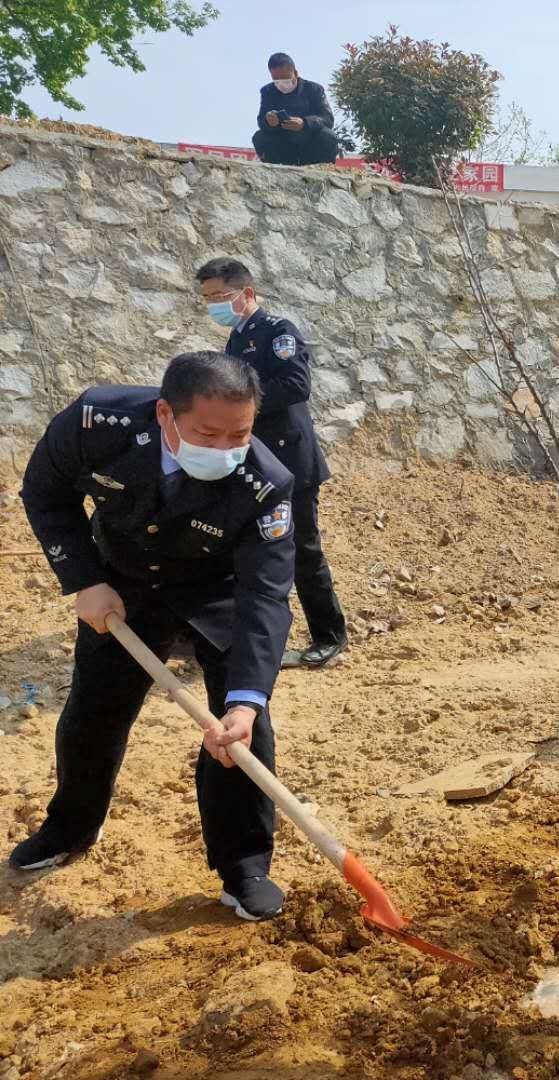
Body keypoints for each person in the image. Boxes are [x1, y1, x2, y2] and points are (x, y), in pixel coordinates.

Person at [12, 353, 296, 921]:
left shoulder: (267, 482)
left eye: (239, 433)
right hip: (119, 581)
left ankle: (243, 865)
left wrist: (246, 700)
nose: (224, 449)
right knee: (94, 711)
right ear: (166, 413)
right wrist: (83, 580)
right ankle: (70, 828)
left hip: (217, 589)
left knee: (240, 729)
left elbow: (265, 594)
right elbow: (45, 492)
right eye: (208, 433)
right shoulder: (97, 423)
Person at [197, 257, 347, 668]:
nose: (213, 305)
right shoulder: (235, 338)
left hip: (290, 461)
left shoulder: (278, 331)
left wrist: (240, 405)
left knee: (301, 549)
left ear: (246, 293)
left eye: (219, 297)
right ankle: (231, 634)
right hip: (253, 464)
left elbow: (296, 386)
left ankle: (329, 636)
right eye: (207, 299)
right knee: (238, 549)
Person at [252, 52, 340, 167]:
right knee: (259, 137)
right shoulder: (268, 91)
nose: (281, 83)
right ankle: (276, 168)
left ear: (295, 73)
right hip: (283, 143)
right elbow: (261, 122)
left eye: (284, 78)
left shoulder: (314, 89)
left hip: (310, 142)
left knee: (328, 136)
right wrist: (269, 122)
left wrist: (304, 123)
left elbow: (327, 119)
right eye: (276, 79)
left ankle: (323, 168)